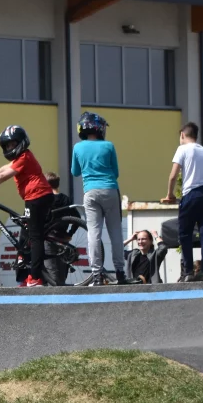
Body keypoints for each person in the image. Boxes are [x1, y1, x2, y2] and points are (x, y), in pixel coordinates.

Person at [0, 125, 57, 287]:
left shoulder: (25, 157)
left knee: (35, 237)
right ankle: (28, 276)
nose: (9, 148)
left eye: (12, 144)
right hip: (33, 198)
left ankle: (35, 278)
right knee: (26, 236)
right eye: (6, 146)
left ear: (21, 142)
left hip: (38, 197)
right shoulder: (19, 159)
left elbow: (5, 175)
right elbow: (3, 169)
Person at [71, 112, 125, 285]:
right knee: (115, 232)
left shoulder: (78, 148)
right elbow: (116, 172)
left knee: (94, 233)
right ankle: (120, 272)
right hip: (110, 189)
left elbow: (75, 172)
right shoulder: (108, 146)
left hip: (90, 192)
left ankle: (96, 275)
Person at [162, 122, 203, 282]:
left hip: (190, 195)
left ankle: (188, 272)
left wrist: (169, 194)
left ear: (182, 135)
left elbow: (173, 175)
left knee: (185, 234)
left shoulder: (182, 149)